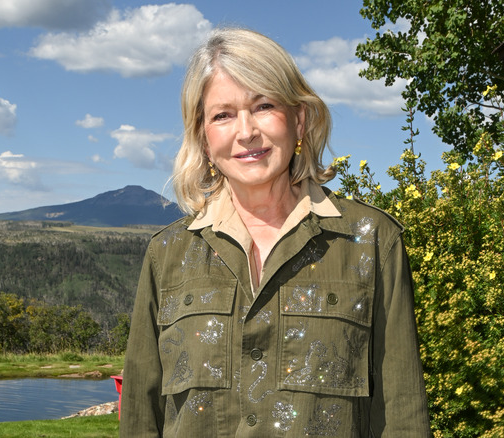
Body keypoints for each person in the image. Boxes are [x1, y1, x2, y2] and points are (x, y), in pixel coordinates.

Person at [120, 27, 431, 437]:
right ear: (203, 136)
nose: (246, 131)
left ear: (298, 120)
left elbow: (403, 417)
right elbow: (141, 418)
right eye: (223, 115)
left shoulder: (372, 241)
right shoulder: (167, 254)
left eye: (263, 105)